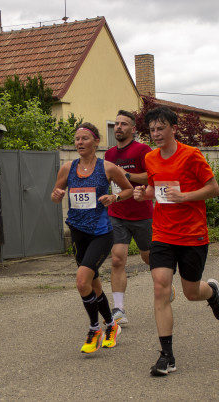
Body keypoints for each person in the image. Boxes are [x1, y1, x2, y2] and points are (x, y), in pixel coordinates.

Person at [132, 106, 219, 376]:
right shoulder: (151, 158)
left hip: (192, 234)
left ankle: (212, 292)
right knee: (160, 288)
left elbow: (214, 188)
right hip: (162, 233)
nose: (156, 133)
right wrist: (143, 194)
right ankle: (167, 356)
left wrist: (185, 196)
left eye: (161, 128)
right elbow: (155, 189)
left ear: (173, 128)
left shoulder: (191, 155)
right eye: (152, 130)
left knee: (190, 292)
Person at [51, 122, 134, 353]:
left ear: (96, 141)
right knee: (93, 283)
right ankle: (111, 325)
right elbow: (56, 195)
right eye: (77, 139)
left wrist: (114, 198)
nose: (80, 143)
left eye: (85, 138)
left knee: (81, 281)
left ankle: (94, 328)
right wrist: (56, 195)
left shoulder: (107, 168)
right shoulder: (68, 168)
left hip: (101, 233)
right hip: (78, 232)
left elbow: (127, 190)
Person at [104, 110, 157, 326]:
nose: (118, 127)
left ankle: (163, 283)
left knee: (149, 258)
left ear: (133, 129)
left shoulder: (142, 150)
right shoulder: (108, 155)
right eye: (116, 124)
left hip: (142, 214)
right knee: (117, 259)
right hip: (117, 214)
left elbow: (152, 175)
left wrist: (125, 175)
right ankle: (118, 309)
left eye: (123, 124)